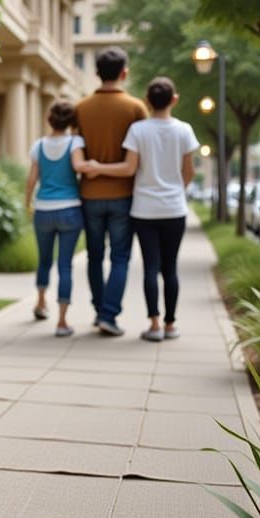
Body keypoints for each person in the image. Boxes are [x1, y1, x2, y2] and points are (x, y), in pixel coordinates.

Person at [80, 76, 199, 341]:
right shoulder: (185, 130)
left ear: (147, 101)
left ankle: (154, 325)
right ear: (174, 99)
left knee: (150, 268)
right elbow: (188, 172)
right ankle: (170, 325)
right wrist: (176, 190)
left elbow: (129, 168)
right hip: (174, 209)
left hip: (144, 209)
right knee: (170, 269)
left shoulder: (138, 130)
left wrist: (97, 168)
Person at [75, 47, 148, 336]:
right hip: (123, 194)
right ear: (124, 73)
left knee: (94, 255)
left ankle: (99, 311)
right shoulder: (135, 108)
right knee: (120, 257)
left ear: (96, 72)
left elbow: (75, 150)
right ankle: (109, 314)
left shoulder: (80, 108)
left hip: (89, 194)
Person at [24, 100, 87, 337]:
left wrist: (27, 202)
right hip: (70, 208)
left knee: (44, 260)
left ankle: (41, 303)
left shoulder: (38, 145)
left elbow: (31, 179)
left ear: (50, 119)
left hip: (44, 209)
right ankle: (62, 321)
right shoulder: (75, 143)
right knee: (65, 265)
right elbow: (80, 168)